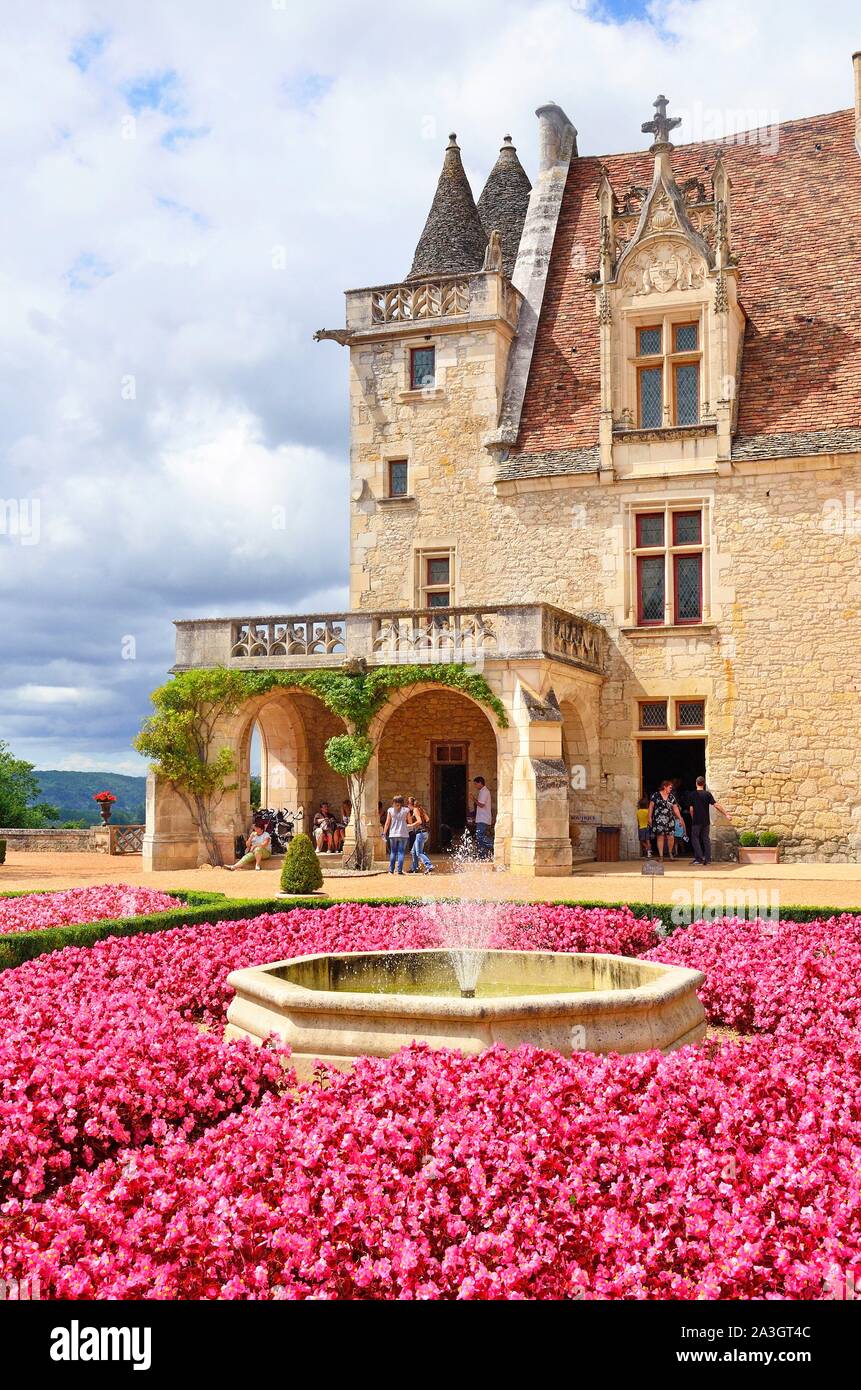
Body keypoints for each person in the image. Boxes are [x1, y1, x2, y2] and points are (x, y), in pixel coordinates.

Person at [688, 776, 731, 866]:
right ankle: (708, 860)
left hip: (696, 821)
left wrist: (693, 818)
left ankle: (699, 859)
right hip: (706, 821)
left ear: (696, 783)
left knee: (695, 839)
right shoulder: (707, 794)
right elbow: (716, 805)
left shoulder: (692, 794)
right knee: (706, 839)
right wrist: (726, 814)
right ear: (704, 784)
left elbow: (691, 809)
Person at [648, 780, 686, 862]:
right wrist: (649, 817)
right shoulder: (656, 795)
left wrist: (680, 818)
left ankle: (670, 853)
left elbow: (675, 808)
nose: (671, 789)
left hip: (669, 819)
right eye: (670, 787)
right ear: (665, 787)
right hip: (659, 819)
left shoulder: (671, 797)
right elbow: (651, 806)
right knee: (660, 837)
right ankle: (661, 856)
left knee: (671, 837)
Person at [383, 795, 410, 874]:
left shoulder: (390, 810)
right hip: (403, 834)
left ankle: (391, 870)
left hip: (393, 834)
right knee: (401, 852)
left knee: (393, 852)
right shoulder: (406, 810)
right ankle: (399, 871)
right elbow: (410, 822)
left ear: (393, 802)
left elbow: (387, 823)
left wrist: (384, 833)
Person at [407, 798, 434, 874]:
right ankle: (414, 868)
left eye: (408, 804)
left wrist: (411, 825)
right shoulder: (420, 809)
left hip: (420, 834)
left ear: (410, 804)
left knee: (419, 853)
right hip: (424, 833)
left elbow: (419, 821)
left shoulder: (415, 809)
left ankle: (429, 865)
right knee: (413, 851)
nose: (407, 806)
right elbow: (427, 819)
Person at [472, 776, 493, 860]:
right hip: (481, 818)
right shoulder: (482, 791)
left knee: (479, 836)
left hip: (483, 818)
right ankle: (482, 854)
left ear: (480, 783)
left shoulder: (484, 792)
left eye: (476, 784)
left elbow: (481, 804)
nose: (475, 786)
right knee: (479, 836)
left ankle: (493, 844)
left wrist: (473, 799)